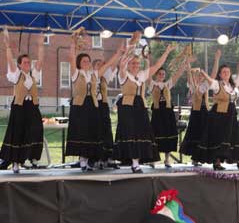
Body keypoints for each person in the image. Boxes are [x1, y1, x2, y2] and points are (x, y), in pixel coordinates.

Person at [114, 34, 176, 173]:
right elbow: (122, 62)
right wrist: (132, 44)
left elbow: (158, 65)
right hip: (127, 106)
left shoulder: (141, 75)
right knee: (129, 132)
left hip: (139, 105)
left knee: (141, 133)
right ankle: (132, 162)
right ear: (129, 65)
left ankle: (136, 162)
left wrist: (167, 52)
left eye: (137, 63)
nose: (135, 65)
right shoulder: (123, 75)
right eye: (133, 63)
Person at [65, 34, 122, 171]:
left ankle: (89, 160)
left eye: (88, 61)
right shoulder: (76, 73)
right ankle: (82, 160)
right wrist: (73, 43)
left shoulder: (94, 74)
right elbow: (71, 58)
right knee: (81, 131)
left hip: (93, 105)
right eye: (84, 61)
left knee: (91, 132)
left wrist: (118, 53)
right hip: (80, 106)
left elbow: (108, 65)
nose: (87, 63)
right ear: (79, 63)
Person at [200, 51, 239, 170]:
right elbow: (210, 80)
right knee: (219, 137)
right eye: (224, 72)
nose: (226, 73)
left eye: (228, 71)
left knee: (235, 136)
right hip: (219, 114)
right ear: (220, 74)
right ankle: (217, 161)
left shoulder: (233, 85)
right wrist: (205, 71)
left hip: (231, 113)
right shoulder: (217, 84)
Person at [0, 29, 44, 173]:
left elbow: (41, 61)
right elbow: (10, 61)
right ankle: (15, 162)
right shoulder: (16, 74)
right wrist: (7, 46)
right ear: (19, 64)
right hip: (19, 106)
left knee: (36, 129)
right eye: (25, 62)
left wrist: (40, 44)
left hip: (32, 106)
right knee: (17, 133)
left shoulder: (33, 75)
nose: (28, 64)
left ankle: (31, 157)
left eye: (28, 62)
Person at [149, 56, 192, 168]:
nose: (162, 76)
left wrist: (185, 63)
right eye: (160, 74)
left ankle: (167, 160)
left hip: (168, 113)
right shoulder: (152, 84)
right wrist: (148, 58)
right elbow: (149, 71)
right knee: (156, 134)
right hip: (158, 113)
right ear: (156, 74)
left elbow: (177, 74)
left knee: (169, 134)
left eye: (163, 74)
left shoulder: (167, 84)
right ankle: (154, 159)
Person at [181, 50, 221, 166]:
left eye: (200, 75)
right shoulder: (193, 87)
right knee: (195, 134)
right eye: (197, 75)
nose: (199, 77)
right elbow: (189, 76)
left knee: (205, 134)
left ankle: (202, 157)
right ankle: (195, 158)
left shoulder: (204, 86)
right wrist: (188, 63)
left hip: (204, 112)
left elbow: (213, 76)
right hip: (196, 113)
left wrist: (216, 59)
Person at [91, 47, 123, 169]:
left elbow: (114, 66)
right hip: (94, 106)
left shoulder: (105, 77)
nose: (101, 66)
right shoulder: (90, 76)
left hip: (103, 105)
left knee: (106, 130)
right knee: (96, 131)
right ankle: (95, 157)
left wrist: (119, 54)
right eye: (98, 64)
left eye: (101, 64)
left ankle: (107, 157)